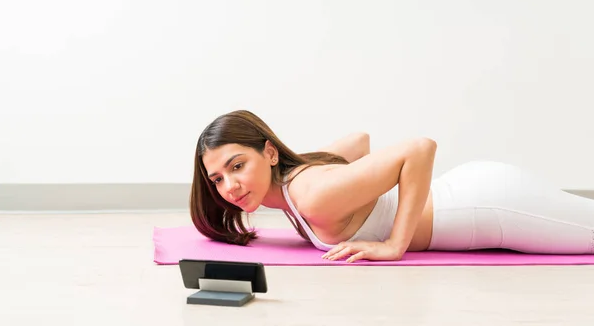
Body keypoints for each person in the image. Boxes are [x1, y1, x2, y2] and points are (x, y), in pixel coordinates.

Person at [190, 110, 594, 262]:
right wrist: (291, 163)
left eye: (238, 165)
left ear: (270, 153)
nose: (230, 186)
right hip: (478, 195)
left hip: (491, 207)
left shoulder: (311, 195)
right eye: (218, 178)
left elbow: (419, 149)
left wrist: (394, 245)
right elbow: (359, 142)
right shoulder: (299, 183)